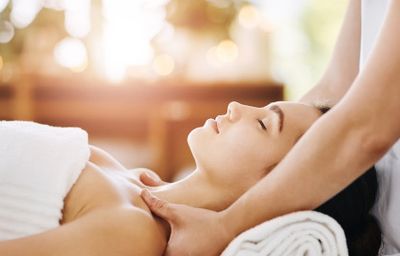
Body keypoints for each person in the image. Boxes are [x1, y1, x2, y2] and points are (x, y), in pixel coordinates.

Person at [141, 0, 400, 255]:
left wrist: (225, 226)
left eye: (262, 124)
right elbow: (333, 90)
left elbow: (367, 129)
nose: (234, 106)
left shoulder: (137, 228)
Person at [0, 101, 380, 255]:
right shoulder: (130, 178)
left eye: (264, 123)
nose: (236, 106)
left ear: (277, 187)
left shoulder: (132, 233)